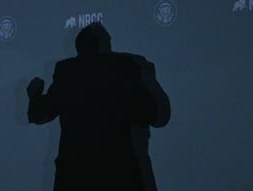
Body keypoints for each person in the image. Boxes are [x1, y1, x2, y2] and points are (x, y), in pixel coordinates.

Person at [27, 23, 170, 191]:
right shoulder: (125, 67)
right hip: (119, 176)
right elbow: (152, 115)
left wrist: (34, 95)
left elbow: (39, 114)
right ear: (104, 45)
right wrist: (149, 82)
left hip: (74, 177)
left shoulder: (66, 71)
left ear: (79, 48)